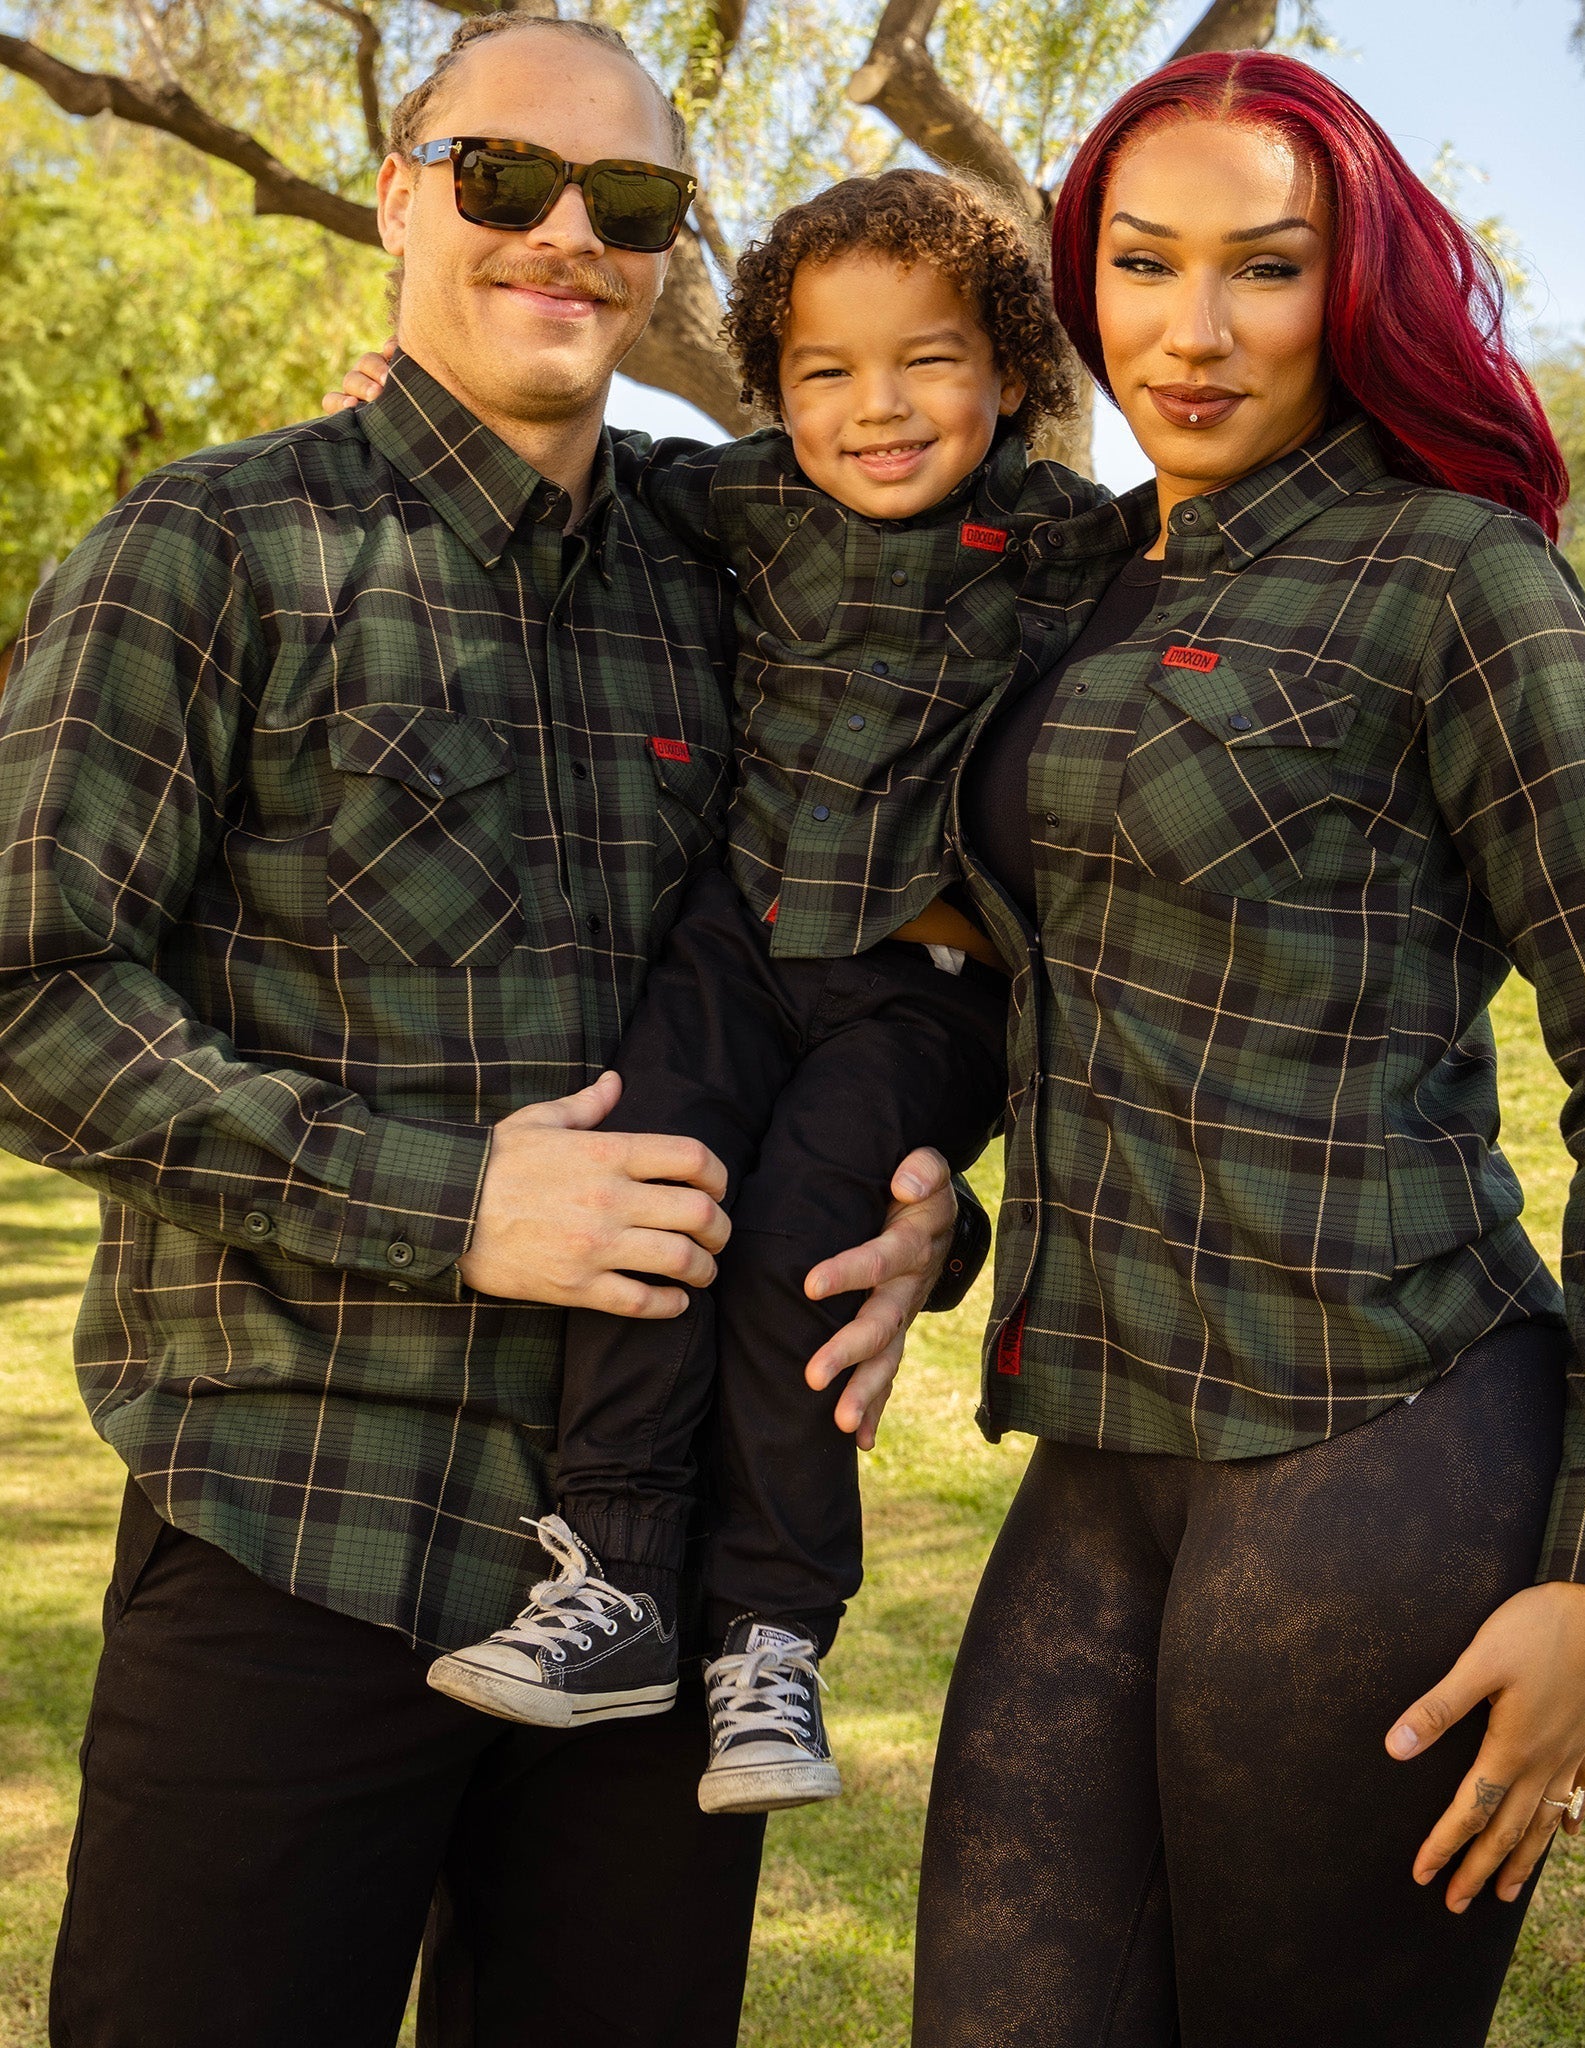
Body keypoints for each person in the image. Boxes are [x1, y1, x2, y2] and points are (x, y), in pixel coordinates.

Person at [0, 18, 968, 2048]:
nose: (565, 233)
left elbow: (881, 912)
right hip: (300, 1528)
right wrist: (450, 1203)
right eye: (504, 176)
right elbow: (33, 987)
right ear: (397, 196)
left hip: (658, 1593)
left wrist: (920, 1219)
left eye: (633, 201)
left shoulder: (741, 564)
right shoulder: (214, 548)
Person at [912, 50, 1585, 2048]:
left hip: (1381, 1446)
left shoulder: (1456, 576)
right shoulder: (1074, 573)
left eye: (1267, 266)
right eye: (1143, 263)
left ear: (1355, 285)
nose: (1195, 330)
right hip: (1099, 1444)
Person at [331, 168, 1105, 1816]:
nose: (875, 407)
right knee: (650, 1185)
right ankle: (613, 1576)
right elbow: (560, 469)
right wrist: (397, 411)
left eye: (929, 361)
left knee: (800, 1238)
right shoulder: (735, 500)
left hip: (924, 981)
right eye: (825, 371)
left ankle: (768, 1633)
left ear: (1012, 370)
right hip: (738, 942)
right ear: (772, 390)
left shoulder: (1069, 540)